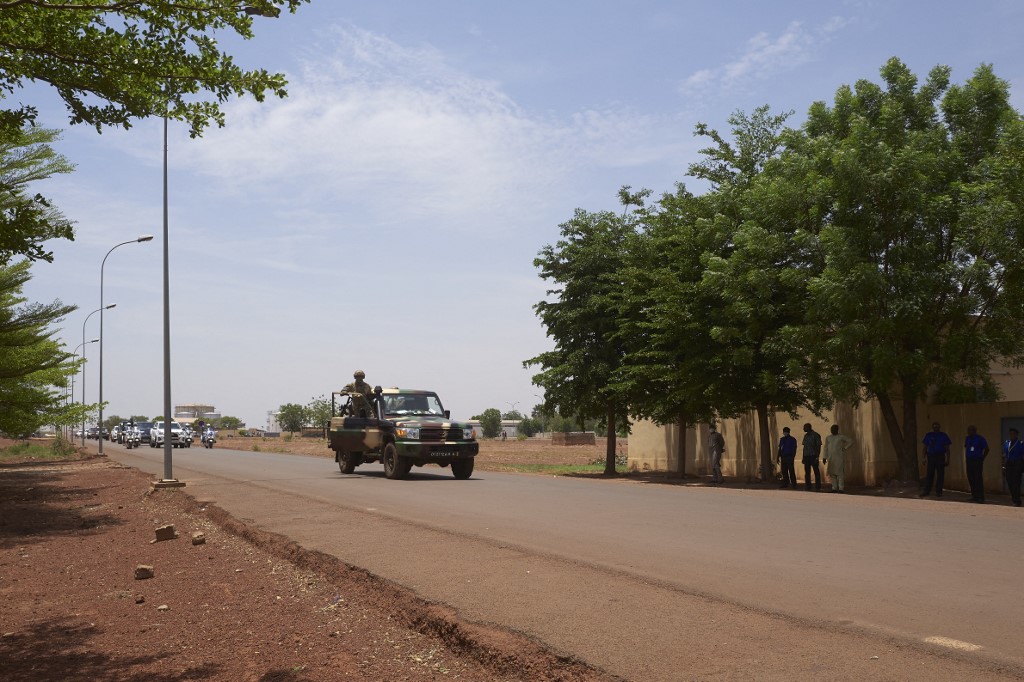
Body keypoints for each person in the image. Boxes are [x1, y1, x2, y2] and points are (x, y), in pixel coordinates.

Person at [920, 422, 952, 498]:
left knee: (940, 474)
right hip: (931, 456)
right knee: (930, 474)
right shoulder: (929, 435)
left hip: (940, 456)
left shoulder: (943, 436)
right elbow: (925, 447)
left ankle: (939, 491)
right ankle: (927, 490)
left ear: (939, 427)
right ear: (932, 427)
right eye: (934, 427)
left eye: (937, 427)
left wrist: (948, 459)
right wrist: (923, 458)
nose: (935, 428)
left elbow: (947, 448)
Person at [823, 425, 853, 493]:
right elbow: (825, 448)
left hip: (839, 457)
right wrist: (824, 457)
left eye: (834, 429)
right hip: (831, 458)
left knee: (840, 474)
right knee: (832, 474)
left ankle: (841, 488)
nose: (832, 430)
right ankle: (834, 488)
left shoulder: (841, 437)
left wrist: (845, 448)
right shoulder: (828, 438)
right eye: (831, 429)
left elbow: (851, 441)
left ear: (837, 429)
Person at [963, 425, 989, 504]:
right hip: (969, 460)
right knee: (970, 478)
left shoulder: (980, 439)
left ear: (974, 431)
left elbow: (987, 449)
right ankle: (974, 496)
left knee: (978, 478)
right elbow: (966, 447)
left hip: (977, 460)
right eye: (968, 430)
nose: (969, 432)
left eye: (970, 430)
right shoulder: (967, 438)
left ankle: (980, 497)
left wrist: (982, 458)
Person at [1002, 427, 1024, 507]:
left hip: (1017, 464)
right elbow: (1004, 455)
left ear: (1016, 435)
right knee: (1010, 482)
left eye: (1013, 434)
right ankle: (1014, 499)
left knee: (1016, 483)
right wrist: (1003, 466)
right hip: (1009, 464)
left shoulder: (1020, 443)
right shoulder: (1007, 443)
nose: (1011, 435)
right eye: (1010, 433)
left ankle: (1017, 501)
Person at [801, 423, 822, 491]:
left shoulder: (815, 435)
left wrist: (817, 456)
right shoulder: (805, 436)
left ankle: (818, 486)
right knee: (807, 472)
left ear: (809, 427)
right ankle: (808, 486)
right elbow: (804, 447)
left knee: (816, 471)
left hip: (813, 456)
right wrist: (803, 457)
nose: (803, 428)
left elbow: (818, 446)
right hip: (807, 456)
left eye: (805, 427)